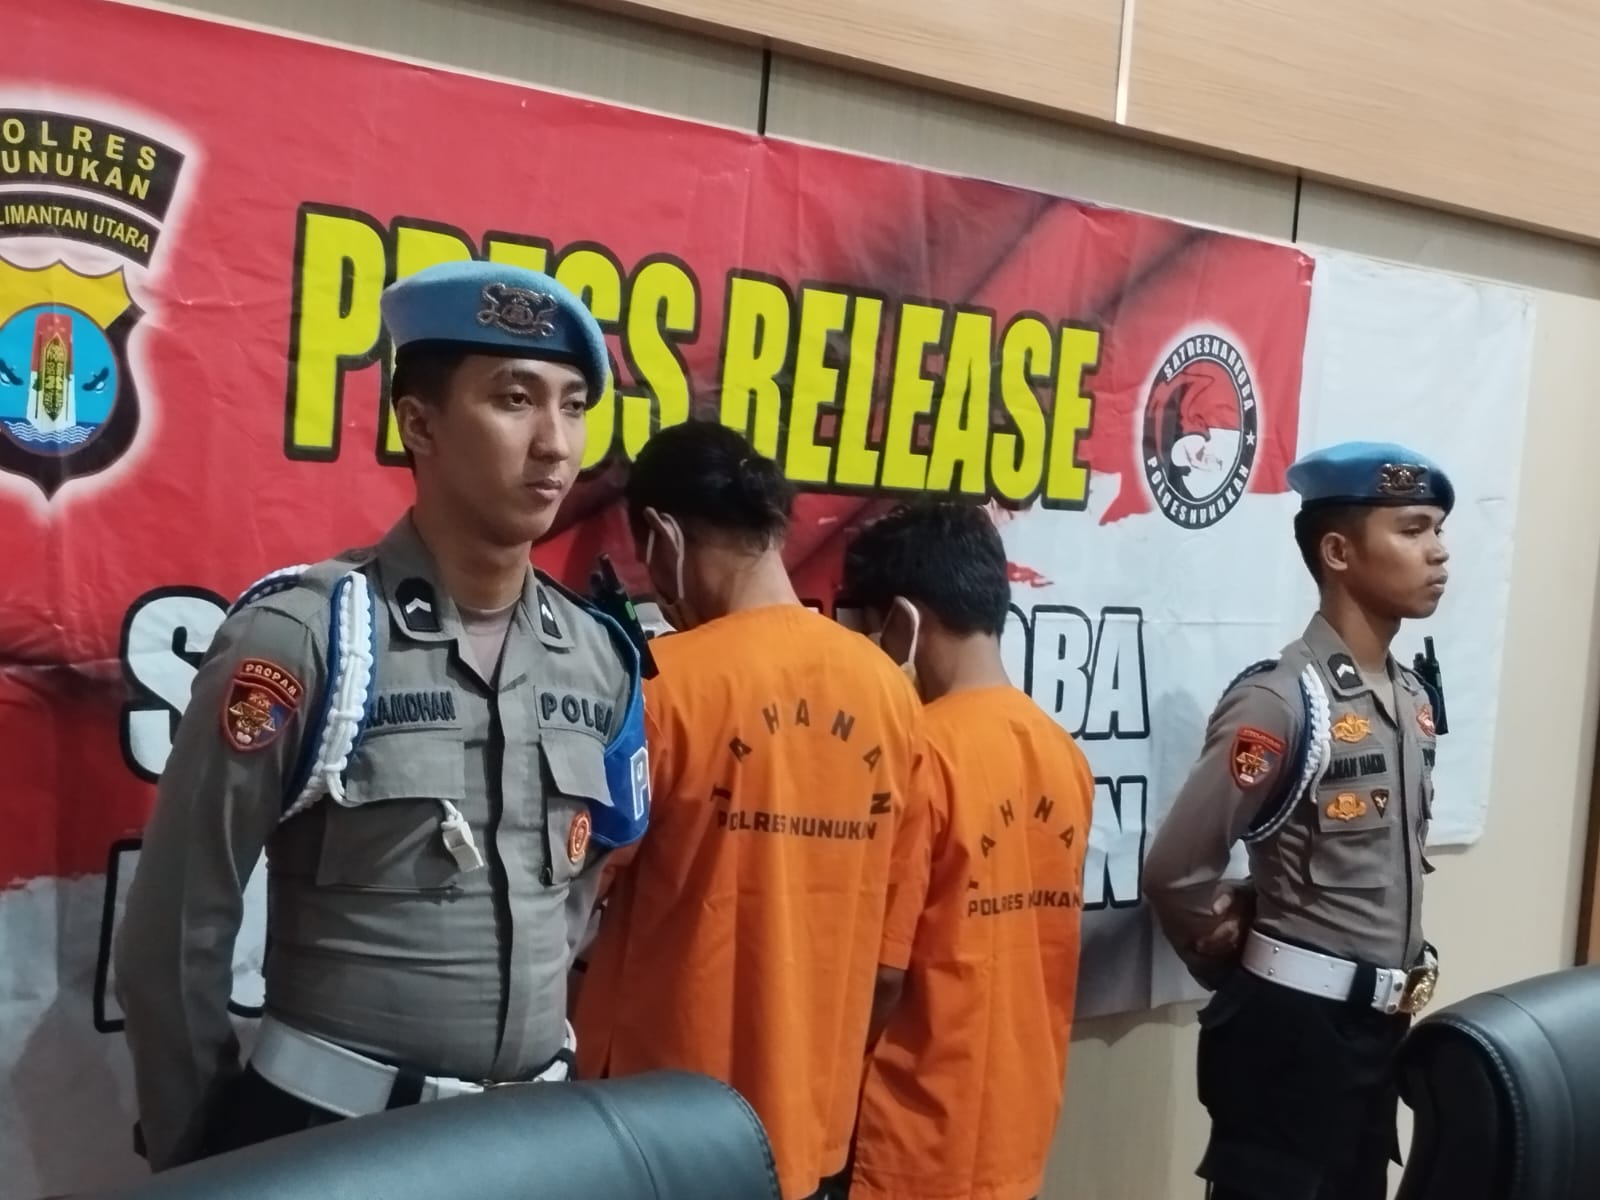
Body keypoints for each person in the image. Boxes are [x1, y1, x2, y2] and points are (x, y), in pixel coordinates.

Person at [114, 260, 650, 1170]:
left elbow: (575, 893)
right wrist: (205, 1165)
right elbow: (175, 931)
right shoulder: (307, 639)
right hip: (333, 1146)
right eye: (515, 399)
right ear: (419, 423)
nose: (556, 445)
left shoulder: (596, 659)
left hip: (529, 1148)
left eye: (573, 407)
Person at [569, 420, 931, 1200]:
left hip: (656, 1135)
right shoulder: (893, 698)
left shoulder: (660, 688)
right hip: (809, 1139)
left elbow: (570, 901)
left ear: (664, 537)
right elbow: (887, 972)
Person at [1142, 441, 1453, 1200]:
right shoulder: (1281, 700)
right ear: (1338, 552)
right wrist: (1234, 958)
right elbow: (1177, 870)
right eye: (1412, 530)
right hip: (1291, 1035)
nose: (1439, 551)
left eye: (1439, 530)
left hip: (1377, 1035)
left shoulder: (1410, 696)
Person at [836, 500, 1095, 1200]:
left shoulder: (919, 754)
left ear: (900, 622)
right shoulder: (1062, 754)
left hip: (909, 1133)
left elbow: (884, 976)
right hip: (1020, 1125)